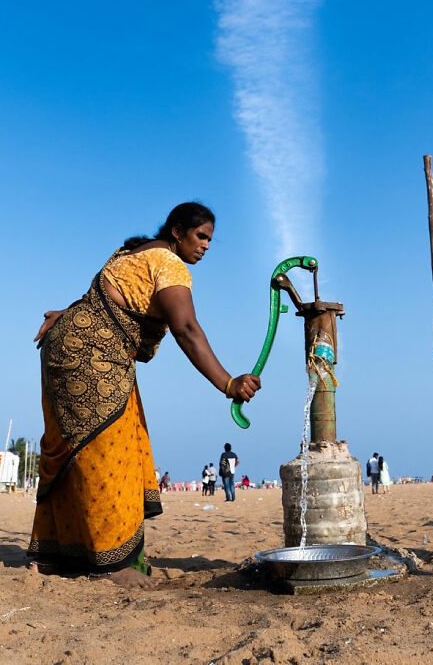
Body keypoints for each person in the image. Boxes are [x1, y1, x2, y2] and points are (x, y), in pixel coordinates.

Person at [27, 202, 261, 588]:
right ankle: (111, 565)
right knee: (108, 455)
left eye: (210, 241)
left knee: (93, 449)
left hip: (76, 348)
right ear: (176, 232)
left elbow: (102, 298)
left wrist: (66, 314)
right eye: (200, 237)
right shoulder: (168, 265)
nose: (205, 246)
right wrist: (228, 383)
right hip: (90, 357)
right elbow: (186, 329)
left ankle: (62, 556)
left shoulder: (131, 254)